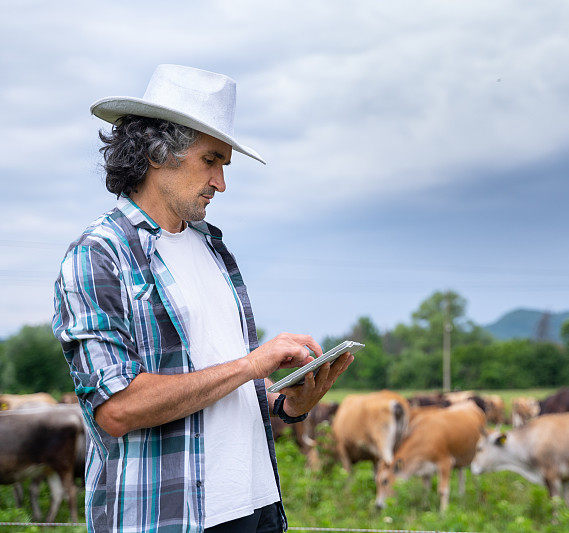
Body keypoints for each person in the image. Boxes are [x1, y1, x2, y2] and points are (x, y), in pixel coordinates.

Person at [52, 64, 353, 533]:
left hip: (257, 506)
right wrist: (252, 364)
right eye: (211, 160)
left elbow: (217, 387)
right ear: (157, 153)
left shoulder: (214, 249)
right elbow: (117, 409)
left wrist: (285, 404)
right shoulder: (99, 255)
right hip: (169, 518)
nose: (221, 183)